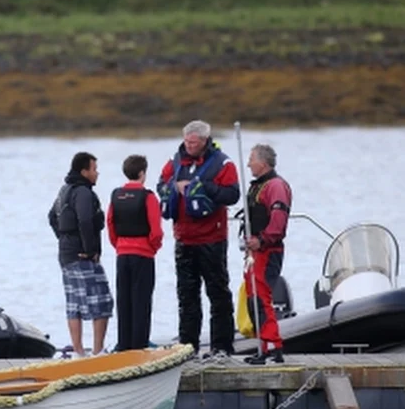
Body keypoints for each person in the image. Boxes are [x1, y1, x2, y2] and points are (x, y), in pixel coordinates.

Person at [158, 120, 241, 355]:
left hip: (212, 239)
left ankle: (222, 346)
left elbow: (232, 194)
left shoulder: (223, 164)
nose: (189, 146)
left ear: (205, 141)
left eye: (194, 143)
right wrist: (175, 187)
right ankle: (188, 346)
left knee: (218, 293)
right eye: (187, 141)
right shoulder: (174, 163)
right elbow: (161, 183)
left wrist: (202, 187)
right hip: (183, 239)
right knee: (186, 296)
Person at [48, 151, 112, 356]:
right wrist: (89, 249)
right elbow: (85, 220)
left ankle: (78, 351)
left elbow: (52, 217)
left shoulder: (65, 190)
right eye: (94, 169)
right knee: (101, 301)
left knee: (74, 302)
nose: (97, 173)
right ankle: (98, 350)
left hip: (66, 255)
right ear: (84, 171)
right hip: (82, 256)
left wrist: (64, 239)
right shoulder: (83, 192)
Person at [107, 154, 163, 352]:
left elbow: (110, 224)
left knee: (124, 300)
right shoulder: (148, 197)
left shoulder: (116, 195)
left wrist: (119, 245)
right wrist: (153, 247)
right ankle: (139, 346)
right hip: (143, 254)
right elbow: (155, 230)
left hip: (122, 254)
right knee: (142, 301)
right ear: (142, 173)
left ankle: (124, 345)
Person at [242, 143, 291, 365]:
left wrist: (261, 240)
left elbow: (278, 223)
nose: (248, 163)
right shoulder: (258, 186)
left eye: (251, 159)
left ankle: (272, 347)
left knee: (262, 298)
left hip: (267, 251)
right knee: (253, 299)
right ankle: (264, 345)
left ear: (262, 162)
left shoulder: (276, 186)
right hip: (255, 252)